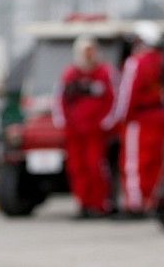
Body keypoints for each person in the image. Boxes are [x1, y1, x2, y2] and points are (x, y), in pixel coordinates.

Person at [101, 21, 164, 217]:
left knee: (134, 163)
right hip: (160, 117)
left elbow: (127, 95)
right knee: (156, 162)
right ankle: (153, 202)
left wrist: (119, 120)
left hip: (138, 119)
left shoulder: (136, 62)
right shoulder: (163, 60)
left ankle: (136, 204)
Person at [52, 36, 115, 218]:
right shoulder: (70, 75)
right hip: (75, 132)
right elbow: (60, 100)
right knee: (77, 168)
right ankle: (84, 204)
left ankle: (100, 204)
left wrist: (106, 122)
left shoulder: (104, 73)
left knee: (96, 167)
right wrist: (63, 122)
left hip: (95, 132)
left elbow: (114, 99)